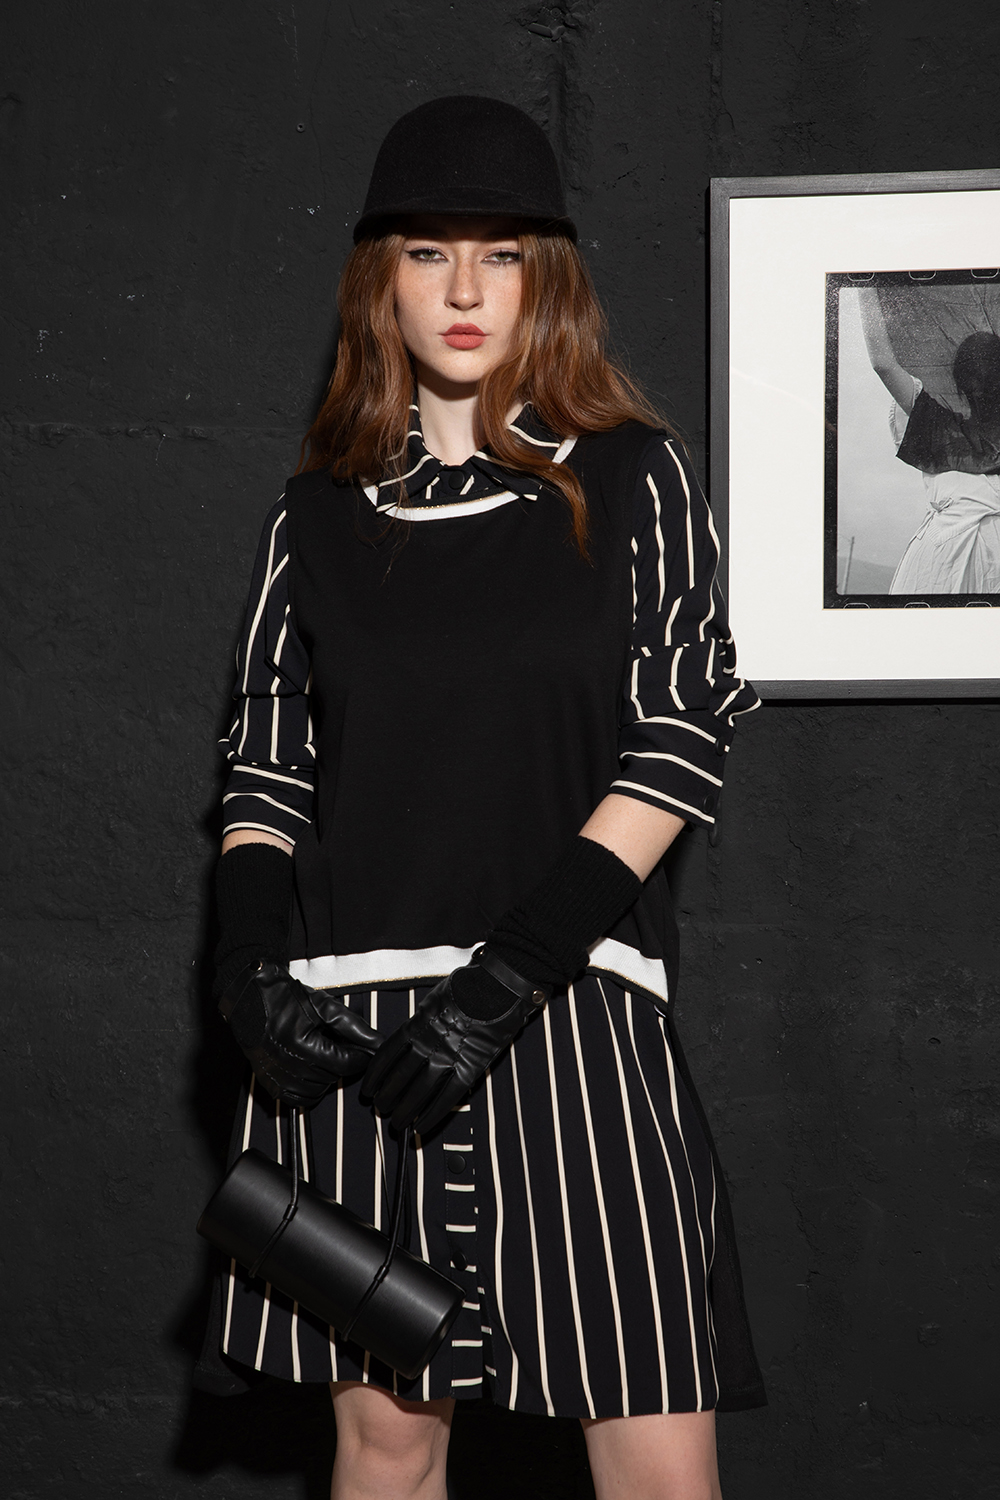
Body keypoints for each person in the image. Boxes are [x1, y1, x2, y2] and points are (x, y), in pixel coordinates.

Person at [205, 96, 764, 1500]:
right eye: (427, 253)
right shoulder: (312, 517)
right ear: (378, 281)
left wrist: (506, 978)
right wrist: (247, 969)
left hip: (569, 1016)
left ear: (544, 277)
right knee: (386, 1448)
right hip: (351, 1044)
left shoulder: (632, 476)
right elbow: (265, 772)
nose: (464, 290)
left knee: (654, 1454)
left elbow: (678, 741)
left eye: (501, 254)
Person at [858, 288, 1000, 594]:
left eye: (987, 375)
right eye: (975, 376)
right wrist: (866, 283)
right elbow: (883, 364)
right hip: (943, 564)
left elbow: (884, 364)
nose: (980, 387)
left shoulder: (939, 426)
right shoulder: (939, 426)